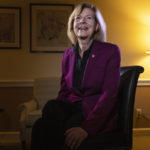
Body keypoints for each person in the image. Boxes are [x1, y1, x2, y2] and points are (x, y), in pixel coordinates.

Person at [31, 2, 121, 150]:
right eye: (78, 18)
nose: (82, 21)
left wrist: (87, 128)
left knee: (57, 131)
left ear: (97, 26)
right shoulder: (67, 54)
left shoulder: (110, 51)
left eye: (89, 18)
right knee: (43, 119)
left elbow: (109, 94)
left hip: (94, 113)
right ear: (73, 25)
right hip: (72, 108)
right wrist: (57, 115)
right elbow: (64, 91)